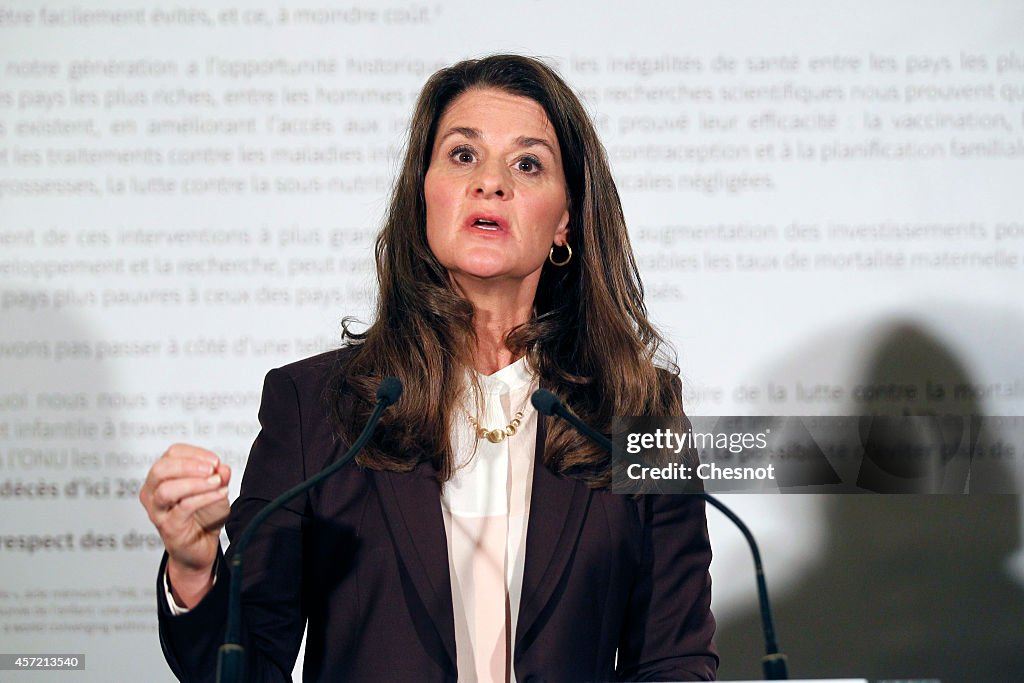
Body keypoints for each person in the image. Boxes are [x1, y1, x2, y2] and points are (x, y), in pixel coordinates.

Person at [140, 54, 717, 682]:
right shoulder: (319, 406)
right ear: (423, 193)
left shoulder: (637, 410)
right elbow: (248, 666)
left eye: (528, 163)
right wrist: (196, 572)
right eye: (463, 155)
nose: (490, 183)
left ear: (566, 221)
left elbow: (673, 660)